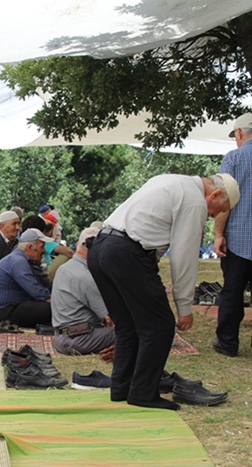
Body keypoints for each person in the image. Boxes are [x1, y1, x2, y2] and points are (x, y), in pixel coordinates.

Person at [88, 173, 238, 410]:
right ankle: (143, 393)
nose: (214, 216)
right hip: (126, 253)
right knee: (160, 325)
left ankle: (122, 388)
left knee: (128, 324)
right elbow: (184, 257)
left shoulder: (171, 180)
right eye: (219, 210)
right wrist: (184, 307)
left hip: (100, 247)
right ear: (215, 194)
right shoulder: (195, 200)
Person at [214, 113, 252, 357]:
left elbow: (222, 200)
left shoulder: (234, 158)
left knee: (232, 292)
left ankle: (227, 343)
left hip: (238, 239)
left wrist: (218, 234)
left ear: (240, 133)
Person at [51, 227, 115, 356]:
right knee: (135, 331)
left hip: (60, 338)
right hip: (79, 339)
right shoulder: (87, 278)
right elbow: (110, 317)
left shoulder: (65, 268)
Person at [0, 228, 53, 328]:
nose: (44, 250)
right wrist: (54, 301)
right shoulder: (18, 261)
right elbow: (35, 290)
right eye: (42, 246)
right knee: (50, 309)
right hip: (4, 312)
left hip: (11, 307)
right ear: (30, 247)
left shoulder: (22, 259)